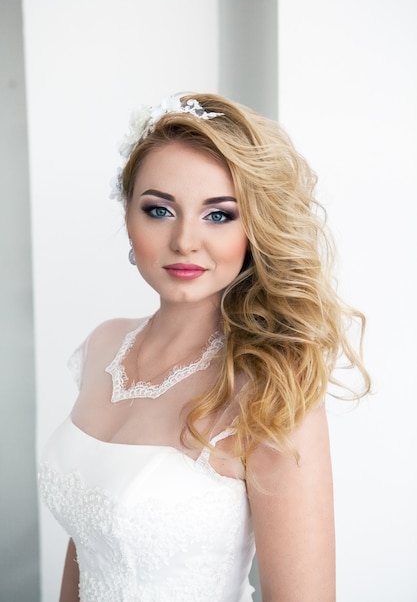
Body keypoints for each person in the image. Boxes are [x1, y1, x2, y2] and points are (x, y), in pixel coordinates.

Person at [39, 92, 370, 602]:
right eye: (159, 210)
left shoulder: (268, 388)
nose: (185, 241)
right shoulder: (102, 346)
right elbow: (88, 541)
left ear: (253, 229)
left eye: (218, 215)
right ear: (128, 215)